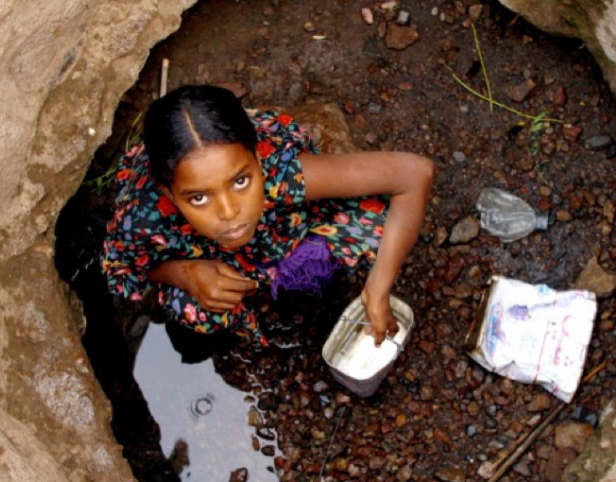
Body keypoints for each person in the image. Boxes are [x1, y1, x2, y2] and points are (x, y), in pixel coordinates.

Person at [102, 85, 434, 347]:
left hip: (274, 219)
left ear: (257, 159)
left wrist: (378, 287)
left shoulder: (280, 169)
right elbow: (126, 265)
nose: (230, 211)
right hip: (197, 251)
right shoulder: (144, 218)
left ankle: (281, 263)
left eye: (240, 181)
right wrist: (185, 274)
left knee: (376, 222)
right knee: (192, 309)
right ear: (168, 193)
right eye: (199, 197)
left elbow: (414, 173)